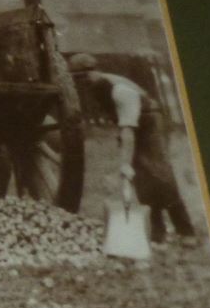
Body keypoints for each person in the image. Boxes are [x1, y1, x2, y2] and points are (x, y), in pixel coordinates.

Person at [69, 53, 197, 245]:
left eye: (84, 77)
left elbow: (128, 131)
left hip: (150, 122)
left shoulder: (120, 90)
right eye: (77, 80)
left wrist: (124, 164)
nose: (82, 84)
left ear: (93, 72)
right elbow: (123, 126)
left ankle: (186, 231)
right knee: (142, 179)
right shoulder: (98, 88)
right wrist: (129, 164)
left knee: (160, 174)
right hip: (130, 123)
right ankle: (158, 231)